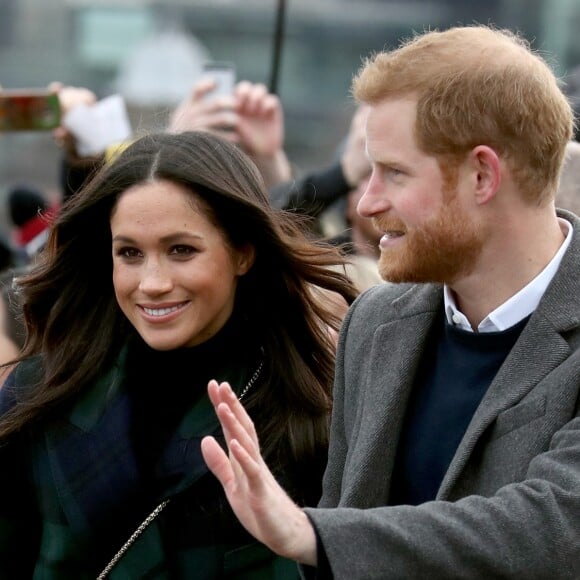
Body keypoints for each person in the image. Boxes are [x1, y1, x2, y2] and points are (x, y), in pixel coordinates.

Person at [200, 24, 580, 579]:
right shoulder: (376, 321)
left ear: (482, 174)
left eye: (394, 172)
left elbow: (549, 529)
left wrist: (310, 534)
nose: (368, 201)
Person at [0, 130, 358, 578]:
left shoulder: (314, 414)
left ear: (242, 252)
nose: (152, 281)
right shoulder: (38, 395)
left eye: (181, 250)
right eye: (129, 253)